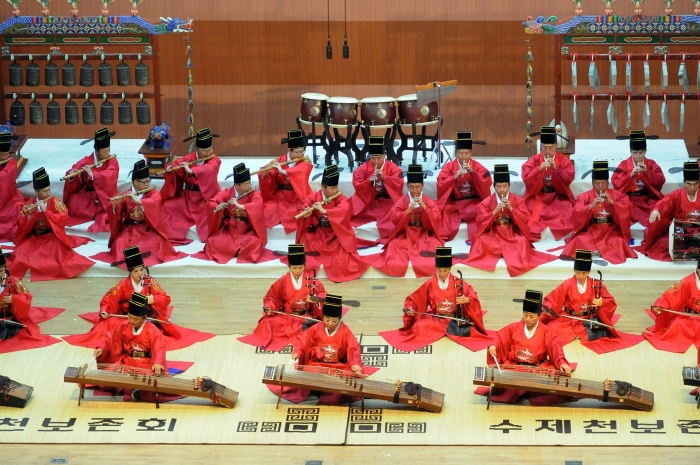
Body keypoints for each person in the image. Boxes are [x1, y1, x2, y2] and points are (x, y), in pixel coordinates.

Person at [65, 246, 213, 351]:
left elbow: (165, 298)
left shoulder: (150, 282)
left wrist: (152, 300)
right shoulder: (123, 284)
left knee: (152, 334)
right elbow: (108, 299)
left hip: (146, 318)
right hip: (127, 318)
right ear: (129, 272)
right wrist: (104, 310)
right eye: (136, 271)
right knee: (108, 324)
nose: (140, 273)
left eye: (142, 269)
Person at [268, 294, 377, 405]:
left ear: (339, 319)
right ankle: (318, 389)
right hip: (317, 364)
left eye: (334, 321)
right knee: (305, 373)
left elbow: (353, 348)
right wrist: (298, 351)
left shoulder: (345, 331)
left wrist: (354, 363)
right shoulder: (316, 328)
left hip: (337, 366)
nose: (330, 323)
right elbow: (303, 341)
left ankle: (329, 396)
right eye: (327, 319)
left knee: (348, 378)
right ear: (323, 317)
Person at [379, 247, 493, 352]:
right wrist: (410, 309)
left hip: (454, 319)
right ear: (436, 269)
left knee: (472, 332)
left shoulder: (458, 282)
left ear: (449, 269)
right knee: (418, 327)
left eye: (445, 270)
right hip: (436, 319)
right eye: (439, 270)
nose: (442, 274)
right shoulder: (430, 283)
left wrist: (467, 300)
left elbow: (473, 295)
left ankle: (452, 331)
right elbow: (415, 298)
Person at [475, 289, 573, 406]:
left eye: (531, 316)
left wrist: (562, 362)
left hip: (537, 368)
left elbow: (555, 347)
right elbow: (500, 336)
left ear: (538, 315)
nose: (528, 319)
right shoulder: (514, 327)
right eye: (525, 315)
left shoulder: (547, 332)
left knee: (555, 378)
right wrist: (493, 345)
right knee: (502, 376)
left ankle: (526, 391)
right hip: (516, 366)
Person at [542, 249, 643, 354]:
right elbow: (553, 299)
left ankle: (580, 334)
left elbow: (610, 301)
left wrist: (601, 302)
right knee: (551, 329)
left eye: (584, 273)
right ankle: (579, 334)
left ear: (589, 272)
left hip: (588, 319)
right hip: (569, 319)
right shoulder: (567, 284)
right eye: (578, 273)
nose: (580, 276)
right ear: (574, 271)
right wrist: (548, 309)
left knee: (599, 330)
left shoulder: (595, 284)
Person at [463, 164, 557, 276]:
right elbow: (480, 222)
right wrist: (494, 212)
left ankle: (502, 252)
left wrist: (512, 209)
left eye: (504, 186)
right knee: (481, 241)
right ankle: (504, 252)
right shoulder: (486, 202)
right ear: (494, 186)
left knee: (521, 241)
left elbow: (525, 218)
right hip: (494, 232)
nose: (502, 190)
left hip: (511, 230)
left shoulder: (517, 200)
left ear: (509, 186)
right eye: (498, 186)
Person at [90, 160, 186, 268]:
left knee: (159, 241)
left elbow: (156, 201)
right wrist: (114, 205)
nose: (147, 184)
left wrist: (139, 202)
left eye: (148, 181)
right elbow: (115, 213)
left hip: (147, 228)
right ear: (136, 182)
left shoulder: (152, 193)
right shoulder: (125, 195)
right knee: (119, 244)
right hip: (130, 229)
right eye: (144, 182)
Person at [8, 168, 93, 281]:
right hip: (35, 237)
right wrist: (29, 216)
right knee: (19, 255)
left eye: (49, 189)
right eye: (44, 191)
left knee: (60, 259)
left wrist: (46, 212)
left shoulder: (55, 202)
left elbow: (63, 218)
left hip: (51, 236)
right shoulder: (30, 204)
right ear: (36, 192)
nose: (48, 193)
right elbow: (20, 223)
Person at [238, 244, 327, 351]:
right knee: (267, 323)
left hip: (306, 317)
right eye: (294, 268)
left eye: (300, 267)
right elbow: (272, 297)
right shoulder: (283, 281)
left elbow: (323, 294)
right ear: (289, 266)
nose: (298, 270)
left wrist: (316, 299)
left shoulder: (312, 281)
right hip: (287, 316)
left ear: (304, 266)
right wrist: (269, 307)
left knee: (321, 328)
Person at [93, 292, 176, 403]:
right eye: (129, 317)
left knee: (151, 381)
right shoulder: (123, 326)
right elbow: (111, 338)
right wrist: (102, 348)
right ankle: (132, 390)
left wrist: (157, 362)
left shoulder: (152, 330)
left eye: (135, 319)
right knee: (107, 376)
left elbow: (159, 348)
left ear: (144, 317)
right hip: (128, 361)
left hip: (146, 363)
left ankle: (138, 391)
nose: (131, 321)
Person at [294, 165, 373, 282]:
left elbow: (345, 209)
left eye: (336, 187)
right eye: (331, 188)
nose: (335, 190)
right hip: (319, 232)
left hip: (336, 233)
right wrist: (305, 215)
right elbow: (302, 208)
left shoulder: (341, 198)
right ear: (323, 187)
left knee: (343, 255)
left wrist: (325, 211)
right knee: (304, 237)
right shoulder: (314, 197)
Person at [193, 163, 275, 264]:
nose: (249, 186)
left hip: (246, 230)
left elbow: (258, 204)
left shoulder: (254, 194)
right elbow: (212, 202)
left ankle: (233, 251)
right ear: (237, 185)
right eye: (246, 184)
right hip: (229, 229)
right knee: (212, 241)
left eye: (250, 183)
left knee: (255, 242)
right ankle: (237, 251)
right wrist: (218, 207)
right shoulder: (227, 193)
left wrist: (241, 206)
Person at [371, 164, 443, 278]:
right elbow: (394, 217)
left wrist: (424, 207)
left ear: (423, 185)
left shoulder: (427, 200)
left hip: (423, 232)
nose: (415, 190)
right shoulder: (403, 200)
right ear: (408, 186)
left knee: (435, 244)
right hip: (406, 232)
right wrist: (407, 211)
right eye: (412, 187)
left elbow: (437, 217)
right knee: (394, 245)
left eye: (418, 187)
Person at [562, 160, 636, 265]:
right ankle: (598, 251)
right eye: (597, 183)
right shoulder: (584, 196)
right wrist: (590, 206)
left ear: (608, 183)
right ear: (592, 183)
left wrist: (612, 202)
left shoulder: (617, 195)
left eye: (603, 183)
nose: (600, 186)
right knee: (579, 239)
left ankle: (597, 251)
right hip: (592, 228)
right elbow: (576, 210)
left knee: (618, 240)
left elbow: (627, 207)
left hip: (610, 229)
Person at [160, 127, 222, 244]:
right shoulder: (190, 158)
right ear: (197, 149)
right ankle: (171, 233)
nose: (208, 153)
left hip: (204, 198)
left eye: (210, 150)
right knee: (167, 206)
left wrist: (191, 171)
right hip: (188, 197)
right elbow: (177, 164)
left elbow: (209, 169)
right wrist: (170, 169)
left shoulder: (214, 160)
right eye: (204, 151)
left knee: (211, 212)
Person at [0, 247, 62, 354]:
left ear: (4, 269)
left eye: (0, 271)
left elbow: (26, 296)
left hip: (10, 317)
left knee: (18, 335)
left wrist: (14, 299)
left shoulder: (13, 281)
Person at [637, 161, 700, 261]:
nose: (692, 187)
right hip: (681, 232)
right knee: (661, 244)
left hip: (698, 232)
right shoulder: (677, 194)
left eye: (695, 184)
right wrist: (656, 209)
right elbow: (664, 202)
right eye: (689, 184)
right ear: (684, 182)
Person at [521, 126, 576, 241]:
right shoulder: (535, 160)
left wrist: (557, 169)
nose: (548, 151)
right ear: (541, 147)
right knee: (526, 209)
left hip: (557, 195)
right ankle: (538, 234)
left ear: (556, 146)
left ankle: (557, 235)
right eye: (545, 147)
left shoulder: (563, 160)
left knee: (568, 208)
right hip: (539, 195)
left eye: (551, 147)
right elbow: (526, 178)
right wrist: (538, 169)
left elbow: (568, 179)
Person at [436, 131, 492, 241]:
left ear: (471, 153)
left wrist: (473, 172)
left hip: (473, 201)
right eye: (461, 153)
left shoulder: (476, 165)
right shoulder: (450, 167)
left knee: (484, 211)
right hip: (455, 202)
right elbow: (440, 183)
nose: (464, 156)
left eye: (467, 153)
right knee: (445, 214)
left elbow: (487, 180)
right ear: (456, 153)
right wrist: (454, 176)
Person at [62, 128, 119, 233]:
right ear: (97, 151)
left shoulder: (112, 160)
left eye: (109, 150)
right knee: (73, 201)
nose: (108, 153)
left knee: (110, 210)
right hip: (91, 195)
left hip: (106, 195)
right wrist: (72, 175)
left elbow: (111, 174)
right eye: (105, 151)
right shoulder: (87, 161)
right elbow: (75, 168)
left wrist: (94, 174)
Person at [350, 135, 404, 239]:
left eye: (379, 158)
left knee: (396, 211)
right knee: (351, 209)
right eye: (373, 158)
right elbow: (357, 182)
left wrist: (385, 177)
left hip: (387, 199)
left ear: (384, 155)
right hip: (369, 200)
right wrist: (368, 182)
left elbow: (399, 182)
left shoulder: (392, 167)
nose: (375, 161)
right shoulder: (364, 168)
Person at [258, 130, 313, 233]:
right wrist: (265, 173)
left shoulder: (306, 161)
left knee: (304, 212)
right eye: (297, 152)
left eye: (302, 151)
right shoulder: (279, 160)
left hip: (298, 195)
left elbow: (302, 171)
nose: (300, 154)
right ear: (289, 150)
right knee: (266, 210)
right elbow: (270, 174)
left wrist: (284, 171)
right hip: (282, 195)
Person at [643, 258, 700, 354]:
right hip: (690, 317)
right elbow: (672, 295)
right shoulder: (687, 282)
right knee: (678, 327)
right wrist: (660, 305)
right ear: (697, 268)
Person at [611, 131, 665, 227]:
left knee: (660, 208)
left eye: (641, 152)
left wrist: (647, 172)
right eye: (635, 153)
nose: (638, 156)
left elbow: (660, 181)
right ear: (630, 152)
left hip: (646, 199)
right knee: (616, 208)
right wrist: (629, 175)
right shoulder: (624, 164)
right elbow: (615, 182)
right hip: (629, 198)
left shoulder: (651, 164)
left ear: (645, 151)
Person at [0, 132, 24, 242]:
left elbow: (4, 177)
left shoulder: (11, 162)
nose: (4, 156)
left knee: (16, 211)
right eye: (1, 154)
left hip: (9, 199)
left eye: (5, 154)